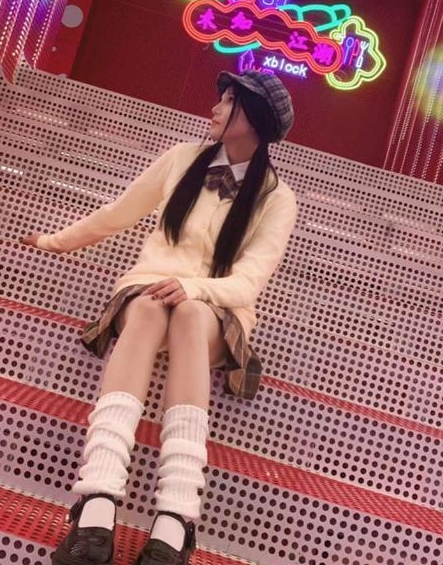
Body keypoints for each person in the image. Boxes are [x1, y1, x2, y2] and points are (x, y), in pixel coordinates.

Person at [22, 70, 297, 565]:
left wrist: (193, 288)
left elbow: (248, 282)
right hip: (148, 290)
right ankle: (97, 503)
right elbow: (117, 213)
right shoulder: (181, 158)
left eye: (228, 101)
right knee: (150, 306)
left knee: (189, 313)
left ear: (254, 119)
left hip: (213, 310)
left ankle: (175, 515)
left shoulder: (277, 198)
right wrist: (52, 241)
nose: (215, 108)